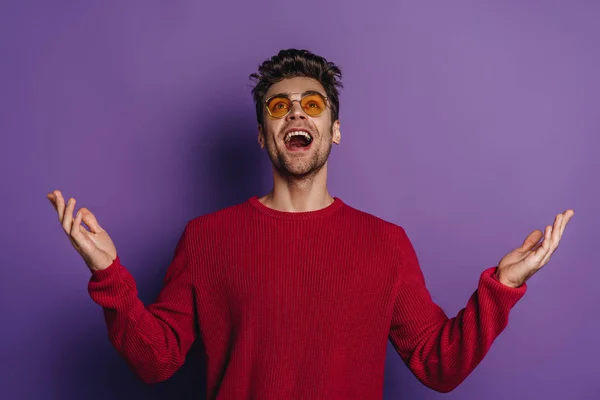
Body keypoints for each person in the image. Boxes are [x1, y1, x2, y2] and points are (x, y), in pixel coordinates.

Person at [47, 49, 574, 399]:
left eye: (312, 104)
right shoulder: (206, 238)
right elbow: (156, 361)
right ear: (263, 135)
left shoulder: (384, 244)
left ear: (334, 129)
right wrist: (109, 274)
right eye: (280, 106)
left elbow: (439, 365)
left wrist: (503, 286)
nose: (296, 114)